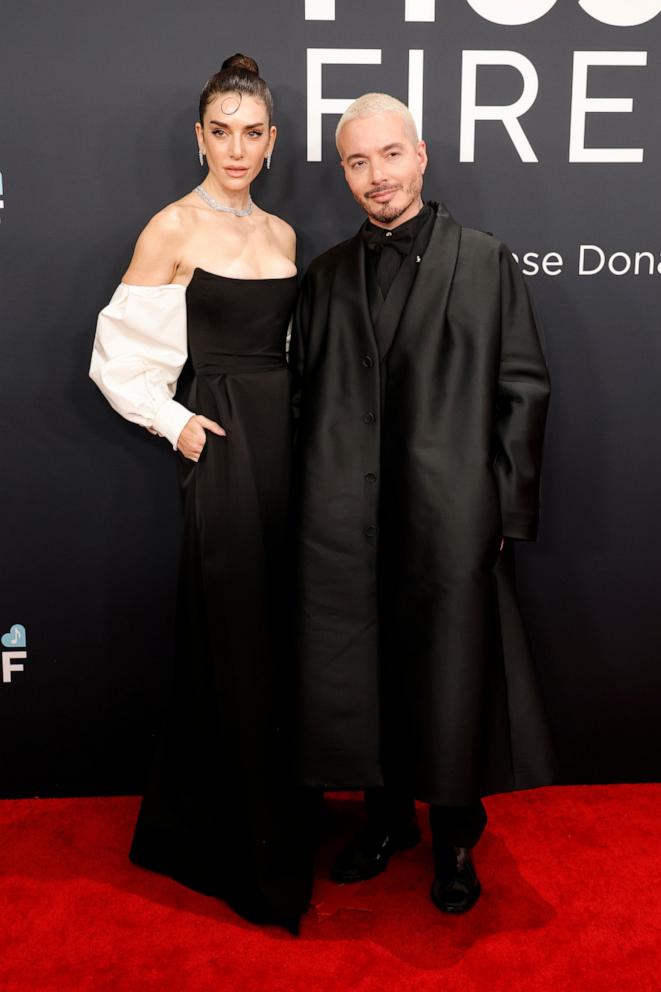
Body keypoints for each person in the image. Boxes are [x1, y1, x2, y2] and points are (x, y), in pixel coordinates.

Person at [290, 93, 556, 914]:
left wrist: (505, 514)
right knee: (362, 677)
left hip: (448, 517)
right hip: (345, 521)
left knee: (448, 681)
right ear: (344, 172)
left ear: (421, 155)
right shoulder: (327, 273)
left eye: (389, 155)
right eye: (357, 162)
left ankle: (453, 838)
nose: (377, 176)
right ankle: (383, 822)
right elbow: (303, 397)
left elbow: (523, 387)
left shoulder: (483, 260)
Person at [89, 54, 311, 933]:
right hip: (220, 448)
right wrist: (173, 423)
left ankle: (274, 811)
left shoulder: (284, 236)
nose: (236, 148)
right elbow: (115, 357)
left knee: (276, 632)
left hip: (287, 451)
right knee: (230, 632)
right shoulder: (170, 228)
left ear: (271, 141)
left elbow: (288, 354)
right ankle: (224, 838)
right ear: (199, 136)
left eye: (252, 133)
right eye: (221, 131)